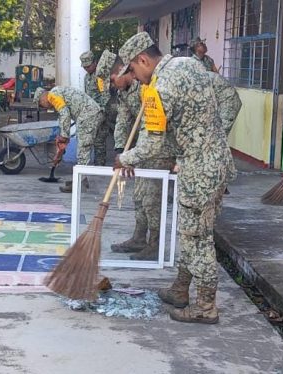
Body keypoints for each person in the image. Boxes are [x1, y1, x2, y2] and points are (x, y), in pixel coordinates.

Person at [114, 32, 235, 324]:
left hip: (197, 172)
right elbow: (198, 116)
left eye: (132, 69)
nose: (134, 76)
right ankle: (180, 289)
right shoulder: (189, 64)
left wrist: (124, 159)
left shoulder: (160, 87)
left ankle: (206, 308)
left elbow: (153, 143)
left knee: (198, 239)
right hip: (216, 165)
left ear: (143, 59)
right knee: (191, 233)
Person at [96, 50, 176, 261]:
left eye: (113, 80)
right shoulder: (123, 93)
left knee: (151, 198)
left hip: (160, 148)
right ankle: (139, 238)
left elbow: (155, 127)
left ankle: (155, 245)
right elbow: (123, 122)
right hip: (143, 147)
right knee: (139, 197)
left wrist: (132, 157)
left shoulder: (148, 83)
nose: (113, 85)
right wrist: (122, 152)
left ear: (122, 71)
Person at [33, 86, 104, 193]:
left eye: (41, 105)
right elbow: (64, 115)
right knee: (83, 149)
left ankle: (80, 183)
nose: (44, 107)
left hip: (88, 115)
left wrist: (64, 136)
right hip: (90, 114)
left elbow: (64, 113)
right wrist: (64, 136)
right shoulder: (57, 92)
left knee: (83, 149)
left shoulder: (52, 95)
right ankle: (81, 180)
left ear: (42, 98)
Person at [80, 50, 115, 166]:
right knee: (94, 140)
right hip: (92, 113)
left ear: (95, 63)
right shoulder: (86, 77)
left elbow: (105, 95)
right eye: (84, 67)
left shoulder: (100, 76)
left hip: (102, 113)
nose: (86, 69)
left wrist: (101, 111)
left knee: (99, 140)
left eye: (88, 66)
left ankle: (100, 165)